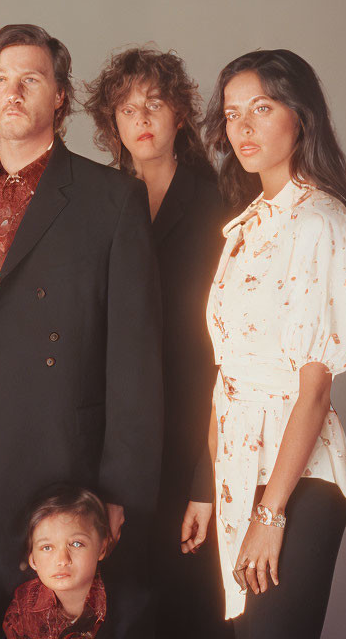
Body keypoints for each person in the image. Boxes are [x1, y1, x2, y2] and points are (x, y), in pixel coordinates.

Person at [0, 24, 164, 637]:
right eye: (0, 80)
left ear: (60, 99)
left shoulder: (111, 199)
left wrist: (119, 488)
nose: (13, 92)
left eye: (31, 79)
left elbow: (135, 355)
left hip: (54, 458)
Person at [183, 49, 346, 638]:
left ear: (300, 116)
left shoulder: (320, 220)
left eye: (262, 108)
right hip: (237, 466)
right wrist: (209, 488)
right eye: (234, 113)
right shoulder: (245, 226)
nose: (243, 127)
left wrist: (270, 511)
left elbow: (314, 387)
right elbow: (226, 377)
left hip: (295, 476)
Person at [84, 46, 232, 638]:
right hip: (115, 430)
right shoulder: (95, 201)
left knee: (190, 596)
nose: (141, 118)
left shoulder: (218, 202)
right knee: (120, 598)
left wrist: (207, 465)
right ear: (111, 125)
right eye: (126, 109)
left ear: (180, 115)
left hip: (195, 423)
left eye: (155, 104)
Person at [3, 485, 111, 639]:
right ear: (33, 559)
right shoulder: (22, 607)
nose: (62, 560)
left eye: (76, 544)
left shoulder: (126, 606)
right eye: (47, 547)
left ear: (101, 548)